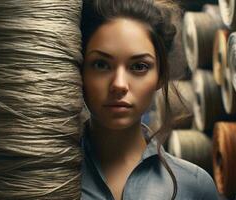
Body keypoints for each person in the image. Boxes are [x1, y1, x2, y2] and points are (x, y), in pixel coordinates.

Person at [79, 0, 219, 199]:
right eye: (101, 64)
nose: (119, 84)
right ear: (79, 71)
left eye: (139, 66)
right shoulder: (40, 175)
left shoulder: (195, 187)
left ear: (160, 76)